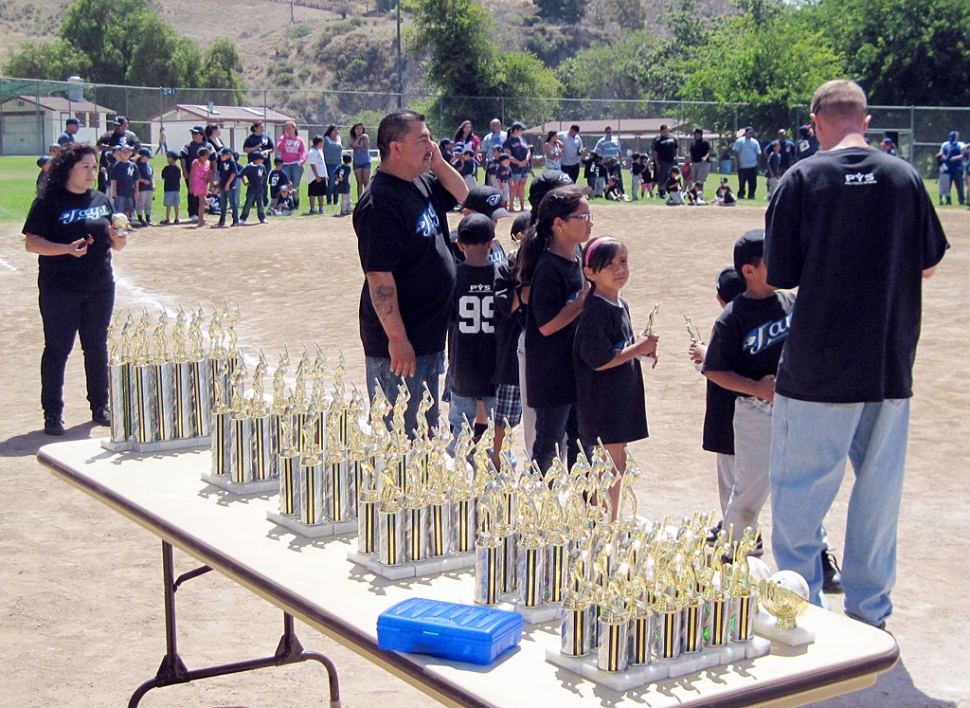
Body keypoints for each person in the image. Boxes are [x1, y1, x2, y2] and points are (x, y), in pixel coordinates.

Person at [765, 79, 949, 629]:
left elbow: (780, 275)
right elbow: (928, 265)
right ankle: (870, 615)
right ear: (865, 122)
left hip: (819, 366)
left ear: (816, 122)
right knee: (877, 495)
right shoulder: (904, 176)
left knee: (800, 491)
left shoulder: (802, 178)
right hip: (888, 360)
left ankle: (806, 615)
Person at [353, 109, 468, 438]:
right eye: (421, 140)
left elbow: (463, 195)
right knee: (401, 437)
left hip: (429, 337)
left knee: (424, 431)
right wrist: (398, 339)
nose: (429, 145)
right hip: (401, 345)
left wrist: (440, 163)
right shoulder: (379, 203)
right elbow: (380, 279)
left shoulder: (423, 180)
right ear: (396, 147)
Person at [22, 142, 128, 435]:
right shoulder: (49, 201)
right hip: (60, 288)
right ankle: (53, 414)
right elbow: (32, 243)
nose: (91, 173)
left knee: (96, 347)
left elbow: (115, 244)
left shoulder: (100, 200)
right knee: (57, 350)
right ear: (68, 168)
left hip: (100, 286)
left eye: (94, 167)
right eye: (85, 167)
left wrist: (118, 239)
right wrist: (65, 249)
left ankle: (100, 406)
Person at [702, 230, 794, 554]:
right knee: (749, 491)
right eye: (773, 260)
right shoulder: (733, 317)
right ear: (749, 271)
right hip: (755, 411)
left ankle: (815, 555)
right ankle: (736, 552)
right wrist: (756, 387)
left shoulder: (791, 302)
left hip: (794, 409)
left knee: (798, 485)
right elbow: (713, 369)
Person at [574, 235, 657, 517]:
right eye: (608, 264)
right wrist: (639, 348)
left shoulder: (620, 305)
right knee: (608, 464)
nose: (619, 269)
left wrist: (641, 351)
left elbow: (622, 348)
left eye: (623, 261)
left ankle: (609, 519)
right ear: (590, 273)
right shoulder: (595, 311)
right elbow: (599, 360)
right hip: (602, 400)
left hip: (620, 397)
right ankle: (603, 523)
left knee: (616, 462)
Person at [518, 183, 591, 475]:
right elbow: (546, 326)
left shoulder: (578, 256)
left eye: (590, 216)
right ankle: (536, 508)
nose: (589, 223)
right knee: (547, 446)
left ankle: (578, 505)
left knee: (580, 443)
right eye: (582, 217)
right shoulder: (549, 266)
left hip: (574, 368)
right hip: (551, 373)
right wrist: (583, 302)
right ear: (559, 224)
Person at [447, 213, 499, 446]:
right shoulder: (501, 275)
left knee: (461, 427)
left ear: (460, 245)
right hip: (495, 367)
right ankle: (498, 473)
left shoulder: (454, 275)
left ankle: (460, 472)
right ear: (491, 244)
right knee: (498, 430)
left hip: (462, 365)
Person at [179, 125, 213, 222]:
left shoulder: (208, 146)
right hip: (192, 175)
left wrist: (213, 171)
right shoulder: (188, 146)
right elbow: (183, 159)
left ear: (202, 134)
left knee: (203, 196)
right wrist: (185, 171)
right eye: (192, 133)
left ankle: (201, 214)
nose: (194, 135)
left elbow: (213, 159)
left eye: (196, 133)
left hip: (204, 176)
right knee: (192, 194)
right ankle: (193, 213)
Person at [275, 121, 307, 209]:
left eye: (290, 128)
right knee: (287, 184)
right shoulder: (283, 138)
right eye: (286, 128)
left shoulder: (299, 140)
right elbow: (279, 148)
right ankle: (287, 202)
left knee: (295, 185)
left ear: (294, 128)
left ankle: (296, 203)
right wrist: (285, 137)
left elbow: (303, 151)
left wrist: (302, 160)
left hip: (296, 164)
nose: (288, 130)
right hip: (285, 164)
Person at [504, 122, 532, 212]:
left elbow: (528, 150)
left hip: (524, 166)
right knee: (514, 186)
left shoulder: (522, 139)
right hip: (514, 167)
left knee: (522, 186)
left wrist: (526, 160)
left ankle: (522, 206)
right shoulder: (508, 141)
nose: (522, 131)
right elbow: (508, 155)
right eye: (521, 130)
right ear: (516, 130)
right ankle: (511, 206)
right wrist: (518, 162)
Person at [109, 143, 138, 223]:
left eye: (127, 152)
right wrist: (114, 191)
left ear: (131, 153)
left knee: (128, 209)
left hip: (129, 190)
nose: (125, 154)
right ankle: (118, 225)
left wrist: (136, 191)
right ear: (120, 153)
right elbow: (114, 179)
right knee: (120, 209)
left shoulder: (133, 165)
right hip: (120, 191)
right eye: (123, 152)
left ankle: (126, 224)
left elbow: (136, 179)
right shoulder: (117, 166)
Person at [240, 150, 269, 224]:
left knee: (260, 203)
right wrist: (245, 182)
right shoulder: (249, 167)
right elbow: (241, 174)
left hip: (259, 188)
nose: (263, 160)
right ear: (256, 159)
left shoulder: (262, 166)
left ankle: (262, 217)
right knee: (248, 203)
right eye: (261, 159)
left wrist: (261, 182)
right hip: (251, 188)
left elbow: (263, 175)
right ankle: (243, 218)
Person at [733, 126, 762, 199]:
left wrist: (758, 163)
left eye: (752, 132)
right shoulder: (740, 141)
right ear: (745, 132)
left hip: (752, 165)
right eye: (749, 132)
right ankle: (741, 194)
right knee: (742, 182)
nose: (750, 134)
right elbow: (736, 151)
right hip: (743, 165)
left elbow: (758, 153)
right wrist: (738, 162)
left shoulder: (755, 141)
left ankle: (751, 195)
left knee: (752, 182)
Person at [937, 131, 965, 206]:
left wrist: (955, 157)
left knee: (959, 185)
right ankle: (948, 200)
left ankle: (961, 200)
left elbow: (963, 155)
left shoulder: (960, 144)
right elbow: (940, 154)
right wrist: (944, 158)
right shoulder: (945, 144)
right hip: (947, 169)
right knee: (947, 186)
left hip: (957, 168)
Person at [214, 147, 239, 228]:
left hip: (230, 186)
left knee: (232, 203)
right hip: (223, 185)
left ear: (228, 155)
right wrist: (219, 184)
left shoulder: (231, 162)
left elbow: (233, 174)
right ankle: (222, 220)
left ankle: (236, 220)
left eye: (223, 155)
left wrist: (228, 184)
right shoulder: (222, 163)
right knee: (223, 203)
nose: (221, 157)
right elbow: (221, 175)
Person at [651, 125, 679, 198]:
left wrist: (676, 157)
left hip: (672, 161)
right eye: (664, 131)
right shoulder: (658, 141)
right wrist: (657, 163)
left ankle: (671, 192)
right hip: (662, 161)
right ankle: (661, 193)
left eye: (667, 131)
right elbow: (655, 153)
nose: (666, 133)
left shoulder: (673, 139)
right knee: (662, 178)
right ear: (661, 132)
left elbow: (676, 149)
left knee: (672, 177)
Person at [189, 146, 212, 228]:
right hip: (197, 183)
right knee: (202, 201)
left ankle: (201, 218)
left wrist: (211, 183)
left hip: (204, 184)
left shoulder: (208, 162)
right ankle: (200, 220)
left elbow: (209, 173)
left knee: (202, 202)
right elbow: (191, 174)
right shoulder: (196, 162)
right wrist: (190, 185)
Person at [350, 123, 372, 200]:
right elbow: (353, 146)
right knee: (359, 182)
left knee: (366, 181)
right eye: (357, 129)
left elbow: (365, 148)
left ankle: (368, 198)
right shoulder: (353, 138)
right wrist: (358, 138)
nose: (359, 130)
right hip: (357, 162)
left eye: (361, 129)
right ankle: (360, 199)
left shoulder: (365, 137)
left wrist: (358, 148)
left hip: (365, 161)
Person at [305, 137, 327, 214]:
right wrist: (316, 176)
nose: (323, 144)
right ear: (318, 143)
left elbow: (322, 164)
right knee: (313, 193)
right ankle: (312, 208)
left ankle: (321, 207)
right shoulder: (312, 152)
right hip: (314, 176)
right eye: (322, 143)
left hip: (322, 175)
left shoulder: (320, 151)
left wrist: (325, 174)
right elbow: (312, 164)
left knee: (321, 193)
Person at [323, 125, 343, 207]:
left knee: (337, 181)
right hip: (329, 163)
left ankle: (336, 199)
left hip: (338, 163)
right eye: (335, 130)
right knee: (331, 182)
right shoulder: (326, 139)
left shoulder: (339, 138)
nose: (336, 132)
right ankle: (329, 199)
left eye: (337, 130)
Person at [159, 151, 181, 225]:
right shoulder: (178, 169)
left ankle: (167, 218)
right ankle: (177, 218)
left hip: (168, 188)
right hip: (176, 188)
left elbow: (163, 177)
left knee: (168, 204)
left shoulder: (167, 168)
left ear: (171, 159)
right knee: (176, 204)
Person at [134, 147, 154, 226]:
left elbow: (152, 175)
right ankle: (140, 218)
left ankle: (148, 218)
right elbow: (135, 177)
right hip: (141, 187)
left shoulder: (149, 165)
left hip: (149, 187)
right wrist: (143, 180)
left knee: (148, 203)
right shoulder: (137, 165)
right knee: (140, 203)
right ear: (142, 156)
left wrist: (153, 183)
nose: (148, 159)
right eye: (147, 157)